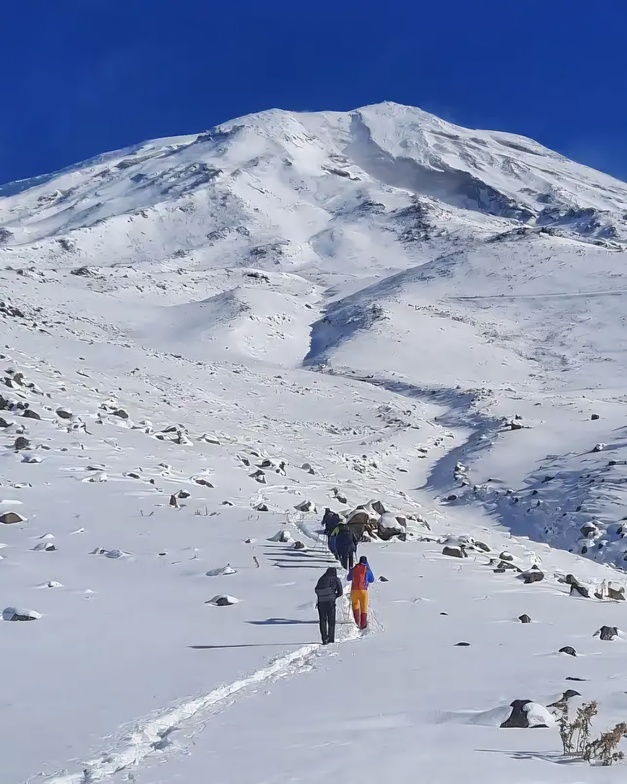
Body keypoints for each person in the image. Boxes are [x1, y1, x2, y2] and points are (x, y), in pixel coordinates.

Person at [314, 566, 343, 645]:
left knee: (322, 620)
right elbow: (340, 592)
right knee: (331, 620)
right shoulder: (335, 579)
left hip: (321, 602)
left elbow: (316, 590)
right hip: (330, 602)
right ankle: (331, 638)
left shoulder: (321, 579)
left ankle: (324, 638)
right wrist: (333, 596)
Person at [347, 555, 375, 630]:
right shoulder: (367, 569)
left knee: (355, 606)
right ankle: (363, 625)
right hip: (363, 591)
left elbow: (348, 578)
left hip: (354, 591)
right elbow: (372, 579)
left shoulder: (354, 569)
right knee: (364, 607)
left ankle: (356, 623)